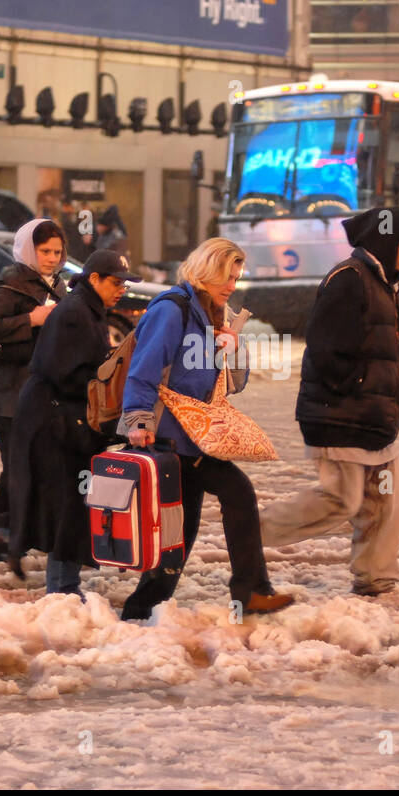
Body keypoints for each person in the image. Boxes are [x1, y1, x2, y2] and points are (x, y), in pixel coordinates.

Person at [118, 237, 294, 620]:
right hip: (169, 436)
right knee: (238, 492)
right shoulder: (173, 310)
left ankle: (141, 608)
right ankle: (251, 591)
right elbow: (143, 369)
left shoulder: (215, 314)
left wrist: (233, 349)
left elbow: (232, 384)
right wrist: (137, 421)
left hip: (196, 439)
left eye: (236, 277)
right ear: (205, 271)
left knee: (181, 529)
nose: (232, 285)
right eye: (226, 277)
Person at [258, 208, 399, 597]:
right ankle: (249, 531)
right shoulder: (348, 280)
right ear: (384, 241)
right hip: (344, 415)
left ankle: (376, 580)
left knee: (387, 500)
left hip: (376, 416)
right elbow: (325, 347)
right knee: (341, 500)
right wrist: (359, 387)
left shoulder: (386, 282)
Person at [7, 249, 131, 595]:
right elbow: (65, 371)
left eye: (124, 283)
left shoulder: (88, 310)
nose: (121, 289)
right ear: (95, 279)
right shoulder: (75, 312)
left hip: (61, 418)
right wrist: (105, 385)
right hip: (52, 421)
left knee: (72, 502)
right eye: (116, 282)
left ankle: (63, 583)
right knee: (67, 504)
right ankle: (61, 588)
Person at [0, 219, 68, 566]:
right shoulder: (10, 283)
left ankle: (22, 535)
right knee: (17, 466)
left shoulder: (56, 285)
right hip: (9, 396)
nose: (52, 258)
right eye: (45, 251)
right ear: (28, 249)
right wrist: (32, 319)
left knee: (34, 464)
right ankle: (4, 540)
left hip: (40, 394)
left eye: (57, 252)